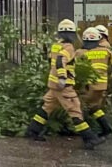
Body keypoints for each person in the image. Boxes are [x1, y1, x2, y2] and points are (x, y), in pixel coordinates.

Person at [25, 19, 104, 150]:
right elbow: (60, 61)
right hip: (63, 86)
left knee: (47, 108)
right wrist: (62, 77)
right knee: (75, 110)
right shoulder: (69, 47)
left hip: (53, 84)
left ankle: (32, 131)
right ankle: (90, 138)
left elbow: (51, 59)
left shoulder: (56, 45)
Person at [79, 28, 112, 139]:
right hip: (102, 86)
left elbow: (75, 69)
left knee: (78, 108)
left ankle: (87, 135)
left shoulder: (81, 52)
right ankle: (106, 128)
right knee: (94, 107)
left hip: (88, 86)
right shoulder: (106, 51)